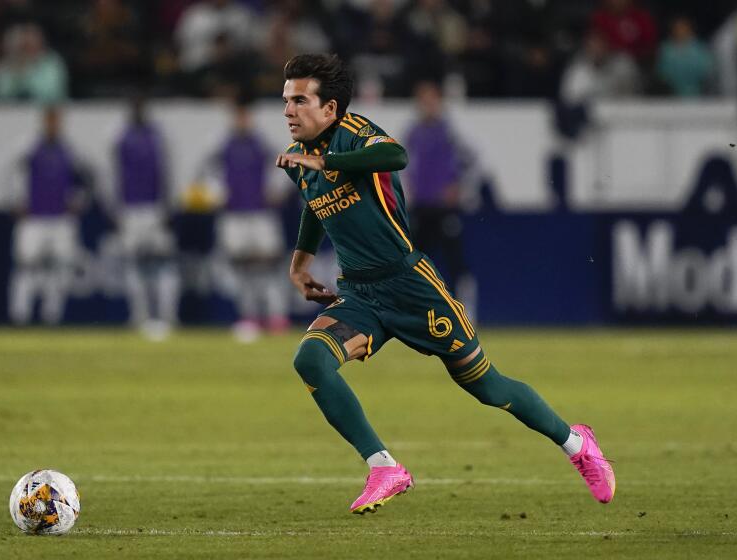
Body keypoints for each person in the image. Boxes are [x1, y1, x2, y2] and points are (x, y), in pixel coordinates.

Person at [276, 53, 615, 515]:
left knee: (488, 388)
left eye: (299, 100)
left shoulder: (353, 133)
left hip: (412, 288)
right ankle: (384, 467)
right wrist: (299, 266)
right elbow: (316, 206)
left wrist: (327, 162)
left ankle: (577, 443)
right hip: (360, 294)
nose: (288, 110)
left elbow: (397, 155)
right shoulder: (301, 159)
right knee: (311, 358)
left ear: (331, 108)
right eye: (286, 101)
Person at [212, 98, 290, 341]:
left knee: (268, 266)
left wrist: (277, 190)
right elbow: (209, 173)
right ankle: (250, 316)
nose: (242, 121)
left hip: (261, 214)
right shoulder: (223, 146)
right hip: (234, 214)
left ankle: (277, 316)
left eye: (245, 117)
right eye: (238, 117)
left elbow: (286, 168)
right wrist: (217, 193)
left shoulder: (262, 145)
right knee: (243, 268)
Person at [6, 106, 87, 325]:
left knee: (59, 268)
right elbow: (10, 173)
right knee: (26, 266)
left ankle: (52, 316)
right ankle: (19, 315)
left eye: (56, 121)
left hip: (61, 219)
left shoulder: (69, 149)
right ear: (43, 122)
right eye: (50, 121)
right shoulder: (28, 147)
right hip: (34, 218)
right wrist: (14, 201)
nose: (53, 125)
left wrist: (78, 200)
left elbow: (86, 178)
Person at [404, 80, 477, 320]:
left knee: (455, 261)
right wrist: (408, 190)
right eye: (423, 101)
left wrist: (459, 186)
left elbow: (472, 160)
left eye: (431, 100)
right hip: (421, 207)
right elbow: (404, 167)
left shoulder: (450, 132)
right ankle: (419, 314)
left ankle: (466, 313)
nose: (427, 106)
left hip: (444, 207)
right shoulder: (412, 133)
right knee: (417, 264)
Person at [114, 96, 179, 337]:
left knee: (164, 262)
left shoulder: (159, 136)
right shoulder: (119, 137)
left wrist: (169, 207)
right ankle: (138, 315)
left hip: (155, 208)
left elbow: (169, 170)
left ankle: (168, 315)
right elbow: (112, 174)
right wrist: (115, 208)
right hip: (130, 209)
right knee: (133, 263)